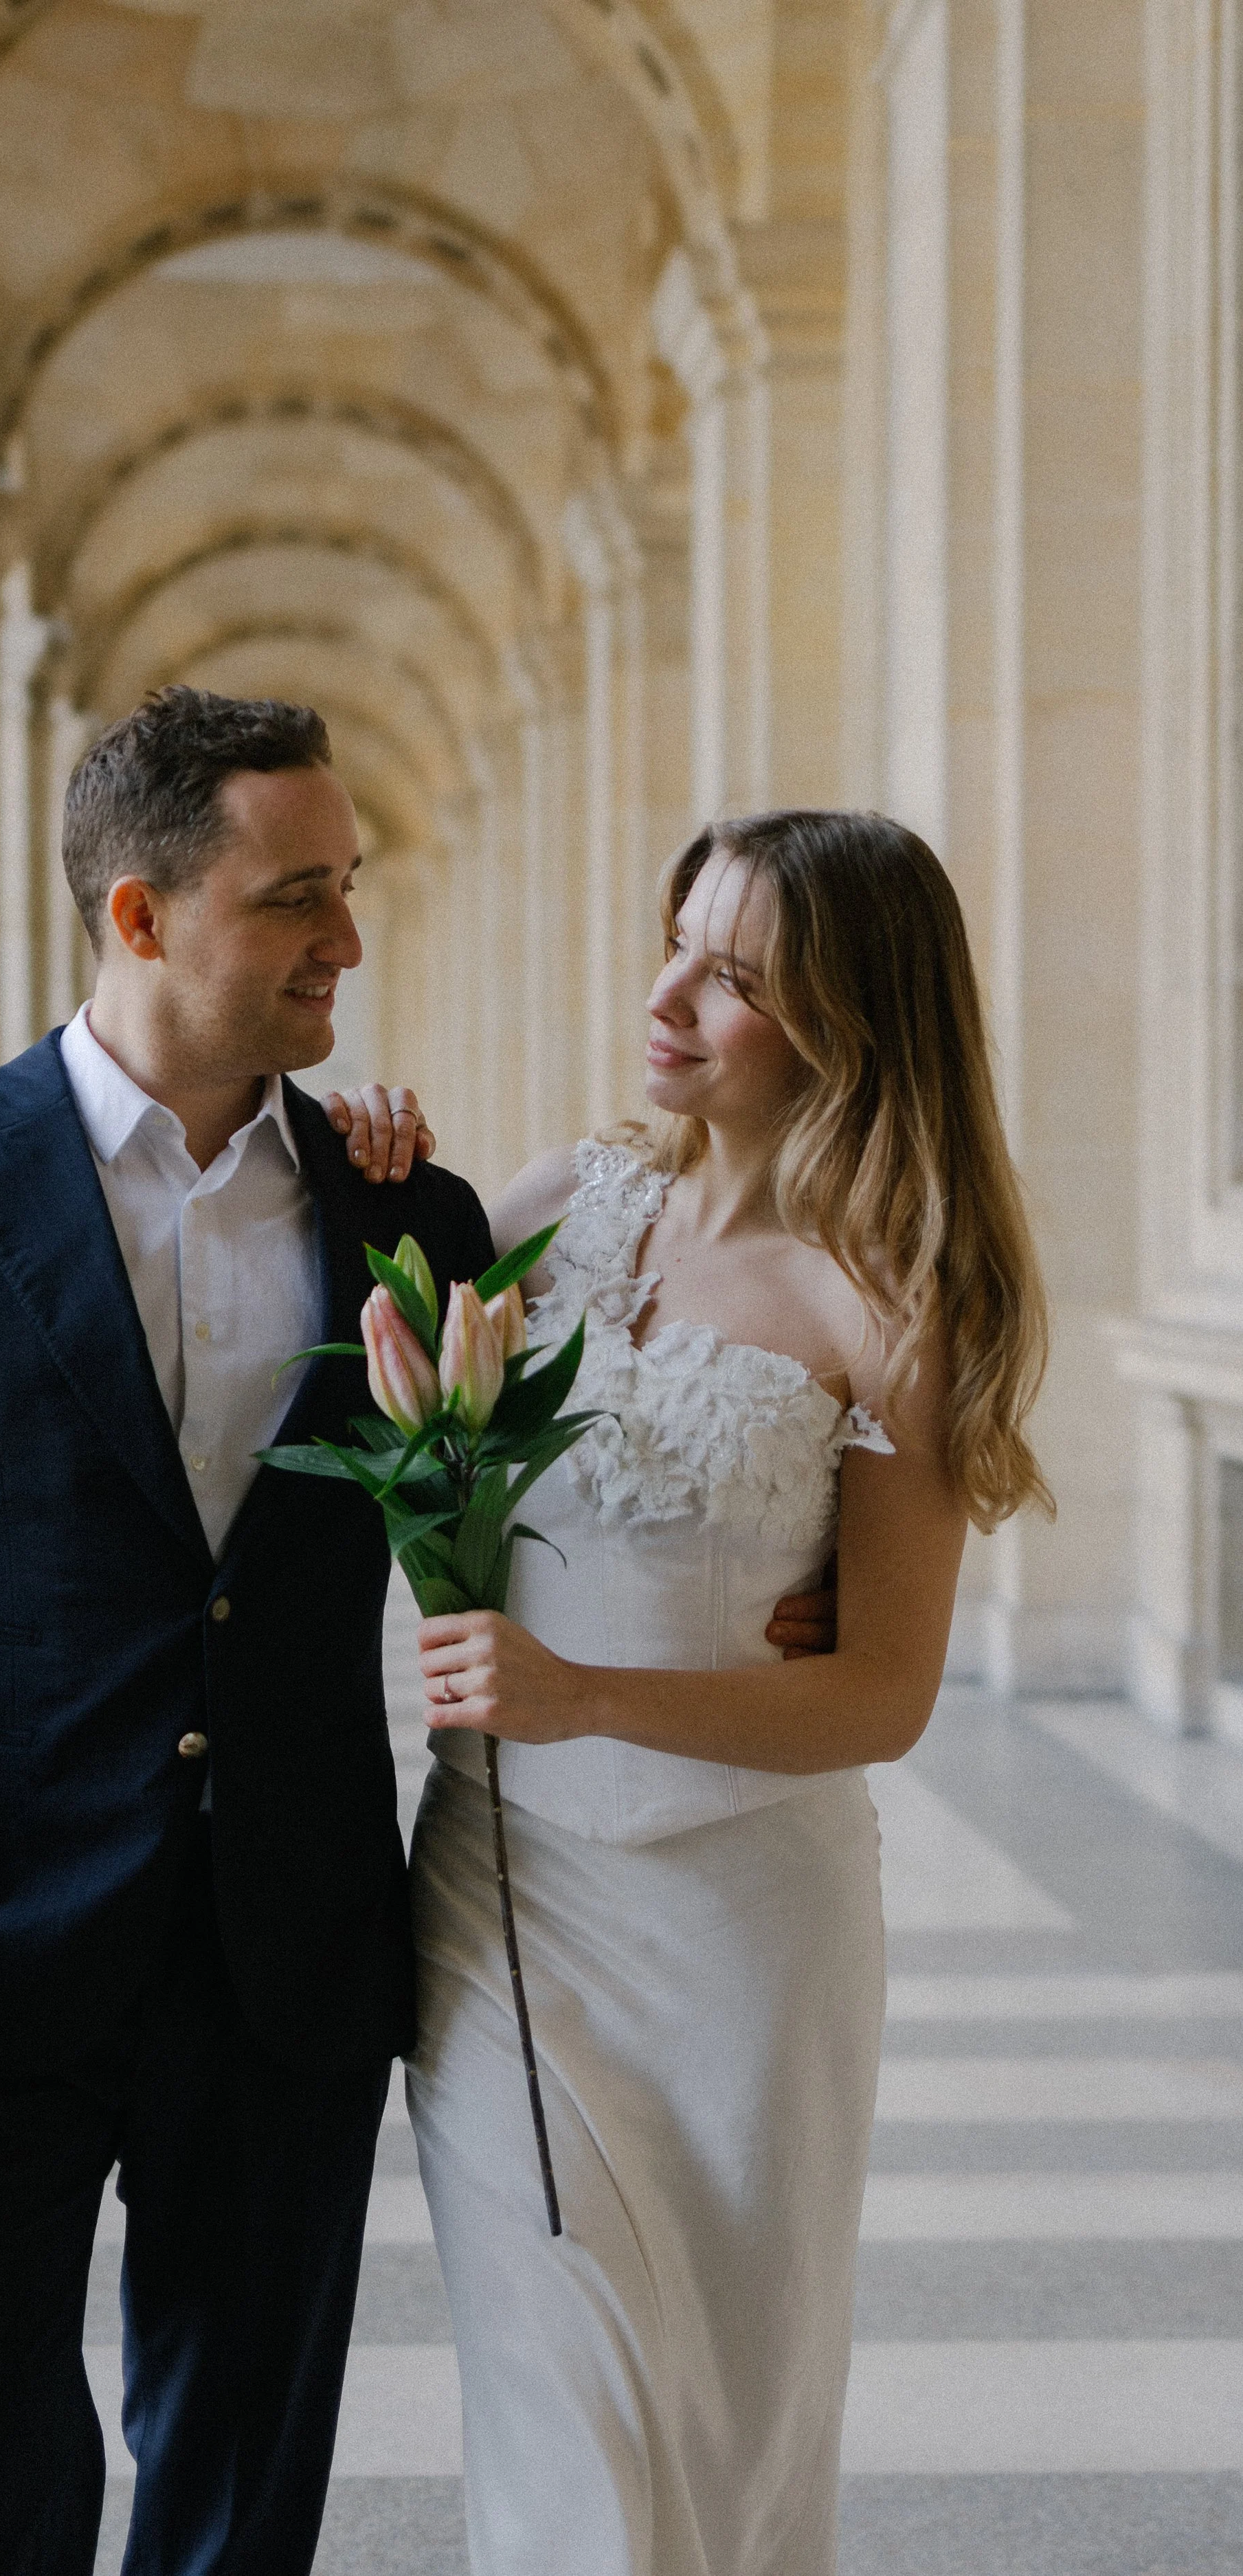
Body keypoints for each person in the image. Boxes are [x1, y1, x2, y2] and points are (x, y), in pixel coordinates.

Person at [0, 688, 497, 2576]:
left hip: (289, 1954)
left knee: (240, 2483)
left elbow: (491, 1527)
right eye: (295, 896)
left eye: (350, 886)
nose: (346, 939)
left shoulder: (411, 1213)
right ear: (139, 914)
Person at [326, 808, 1050, 2576]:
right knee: (553, 2400)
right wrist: (365, 1186)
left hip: (744, 1937)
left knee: (732, 2424)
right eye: (677, 942)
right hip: (502, 1905)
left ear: (848, 1023)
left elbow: (879, 1697)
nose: (665, 997)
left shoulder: (889, 1307)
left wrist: (582, 1692)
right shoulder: (557, 1207)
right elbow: (378, 1386)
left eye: (733, 977)